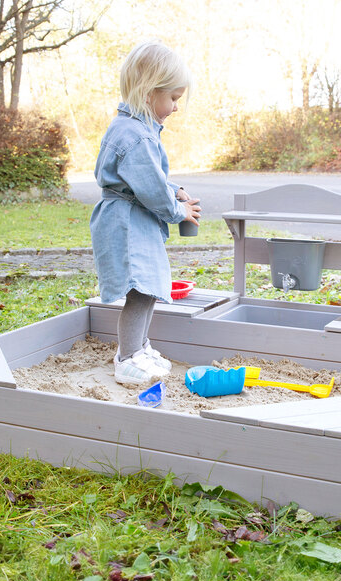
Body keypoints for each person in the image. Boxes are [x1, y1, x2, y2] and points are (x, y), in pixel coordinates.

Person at [90, 41, 201, 385]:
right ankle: (127, 357)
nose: (175, 108)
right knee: (140, 289)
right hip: (127, 223)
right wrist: (177, 209)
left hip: (134, 218)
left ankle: (139, 347)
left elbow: (149, 179)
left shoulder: (138, 129)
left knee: (150, 286)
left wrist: (173, 188)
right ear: (149, 92)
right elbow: (150, 189)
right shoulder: (134, 135)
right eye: (173, 99)